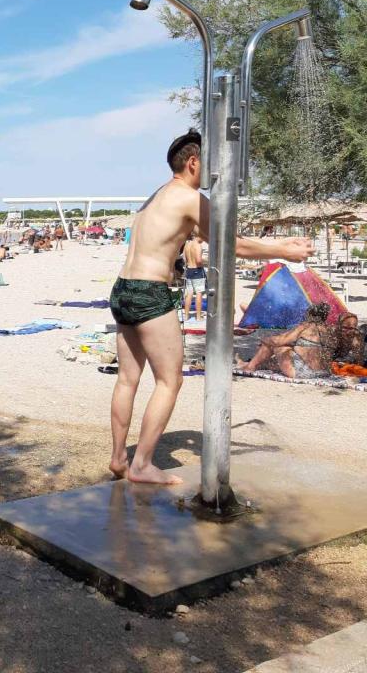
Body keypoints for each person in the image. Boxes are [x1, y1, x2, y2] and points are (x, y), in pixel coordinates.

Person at [108, 130, 314, 485]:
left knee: (128, 378)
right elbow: (231, 244)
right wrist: (284, 251)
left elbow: (230, 237)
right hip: (150, 292)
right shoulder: (190, 198)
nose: (216, 172)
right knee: (170, 381)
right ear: (193, 162)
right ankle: (141, 465)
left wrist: (280, 241)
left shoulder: (156, 197)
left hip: (123, 288)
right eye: (210, 163)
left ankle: (118, 458)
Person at [240, 303, 333, 378]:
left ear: (310, 315)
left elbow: (278, 341)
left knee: (273, 345)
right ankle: (250, 364)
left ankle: (249, 367)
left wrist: (264, 340)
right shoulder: (328, 330)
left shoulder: (306, 326)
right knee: (285, 352)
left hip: (303, 373)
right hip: (324, 372)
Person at [182, 233, 206, 321]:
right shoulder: (198, 246)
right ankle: (198, 317)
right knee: (199, 293)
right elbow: (198, 261)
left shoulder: (187, 245)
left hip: (189, 270)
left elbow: (184, 258)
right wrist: (204, 263)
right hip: (197, 271)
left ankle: (186, 316)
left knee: (189, 293)